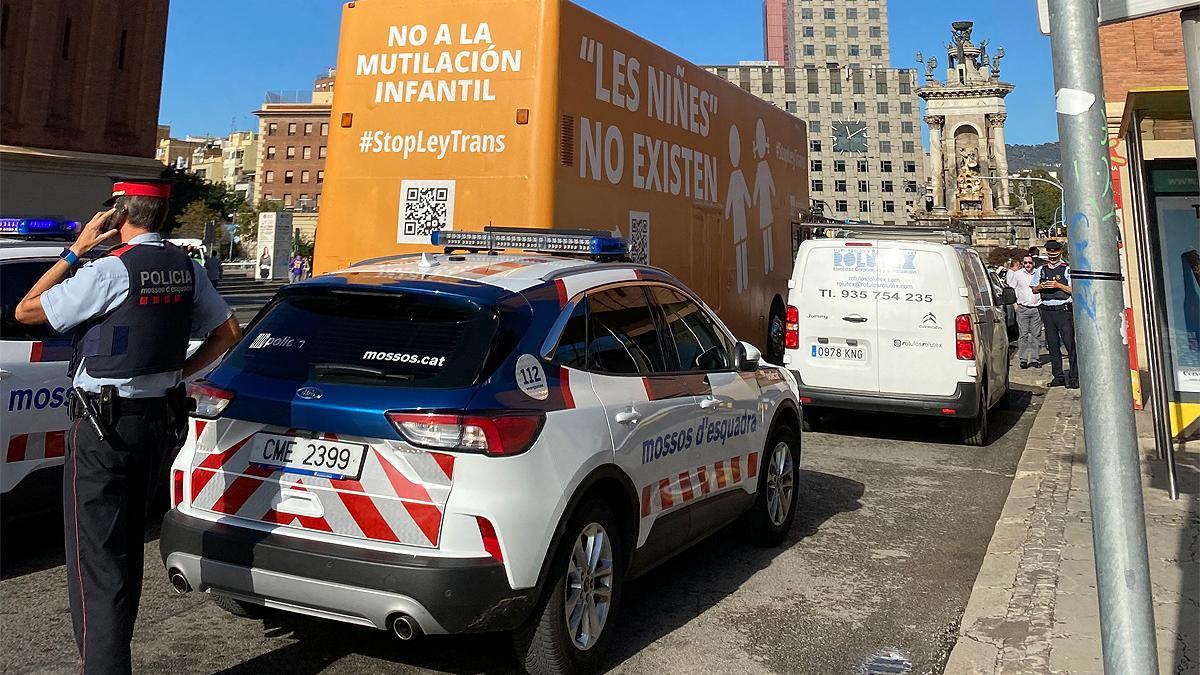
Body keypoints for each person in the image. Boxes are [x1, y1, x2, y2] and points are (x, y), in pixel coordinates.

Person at [13, 178, 243, 674]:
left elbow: (26, 309)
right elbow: (228, 331)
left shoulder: (111, 270)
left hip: (102, 431)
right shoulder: (186, 267)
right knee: (123, 555)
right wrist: (175, 374)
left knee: (93, 561)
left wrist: (75, 252)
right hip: (154, 425)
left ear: (120, 215)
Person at [1031, 239, 1077, 388]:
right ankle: (1058, 376)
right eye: (1050, 252)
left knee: (1070, 344)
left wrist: (1058, 285)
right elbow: (1033, 289)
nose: (1052, 255)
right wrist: (1040, 286)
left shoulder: (1066, 268)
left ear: (1059, 252)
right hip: (1047, 310)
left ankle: (1074, 376)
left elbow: (1073, 290)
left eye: (1055, 252)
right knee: (1052, 345)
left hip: (1063, 310)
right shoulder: (1041, 270)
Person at [1009, 254, 1043, 369]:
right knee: (1023, 335)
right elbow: (1012, 289)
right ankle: (1023, 359)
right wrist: (1015, 305)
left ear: (1033, 263)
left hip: (1036, 308)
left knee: (1036, 335)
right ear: (1023, 263)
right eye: (1026, 262)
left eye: (1030, 262)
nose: (1028, 265)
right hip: (1022, 308)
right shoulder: (1017, 275)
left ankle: (1034, 358)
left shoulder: (1039, 273)